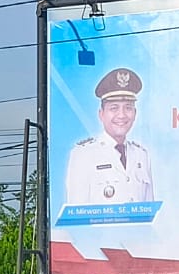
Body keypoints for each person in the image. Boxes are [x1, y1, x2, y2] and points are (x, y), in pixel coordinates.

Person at [64, 66, 155, 204]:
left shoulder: (142, 154)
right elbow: (77, 213)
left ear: (135, 114)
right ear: (101, 114)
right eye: (114, 108)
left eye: (128, 108)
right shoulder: (83, 155)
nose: (122, 115)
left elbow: (149, 210)